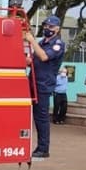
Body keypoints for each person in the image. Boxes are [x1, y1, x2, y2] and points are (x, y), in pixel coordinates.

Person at [23, 14, 66, 158]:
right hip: (32, 82)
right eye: (46, 25)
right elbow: (34, 60)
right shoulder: (41, 43)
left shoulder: (58, 44)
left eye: (51, 26)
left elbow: (44, 57)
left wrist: (32, 40)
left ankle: (43, 148)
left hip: (43, 85)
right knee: (31, 115)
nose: (47, 28)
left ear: (57, 29)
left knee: (41, 117)